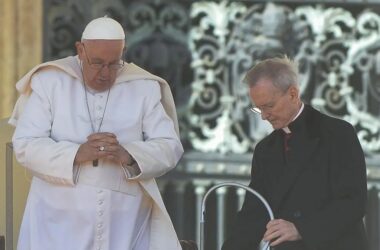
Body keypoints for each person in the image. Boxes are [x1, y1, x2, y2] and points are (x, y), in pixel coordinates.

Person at [10, 16, 184, 250]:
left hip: (124, 222)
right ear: (80, 50)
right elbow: (25, 145)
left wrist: (128, 155)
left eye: (114, 63)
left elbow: (170, 147)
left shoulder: (143, 87)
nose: (105, 73)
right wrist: (77, 153)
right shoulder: (50, 82)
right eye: (97, 62)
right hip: (57, 220)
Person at [222, 56, 368, 250]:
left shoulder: (338, 133)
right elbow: (254, 213)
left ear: (292, 94)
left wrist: (301, 229)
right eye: (258, 109)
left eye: (269, 106)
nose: (264, 116)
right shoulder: (265, 150)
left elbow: (353, 202)